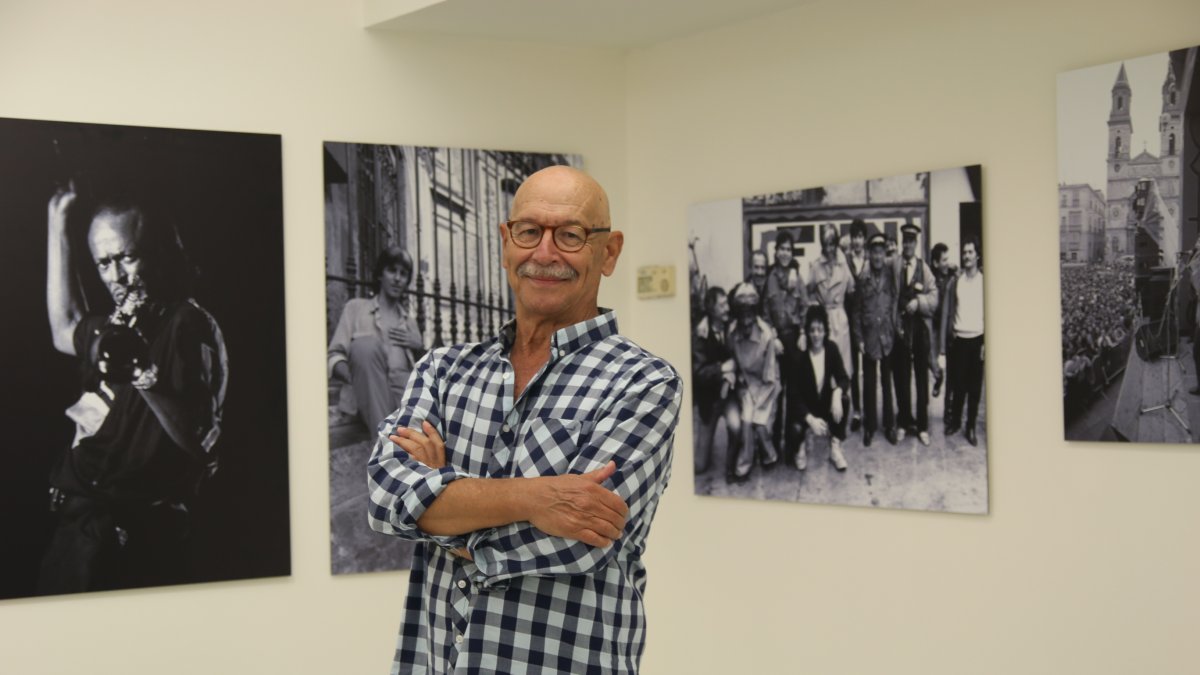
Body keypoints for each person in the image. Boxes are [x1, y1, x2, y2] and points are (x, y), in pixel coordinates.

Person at [366, 166, 682, 674]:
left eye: (571, 235)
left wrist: (437, 510)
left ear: (609, 252)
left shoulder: (643, 383)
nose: (545, 254)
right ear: (505, 241)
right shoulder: (444, 369)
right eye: (529, 231)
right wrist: (535, 498)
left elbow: (575, 541)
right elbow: (384, 492)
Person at [41, 184, 228, 593]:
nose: (116, 277)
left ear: (158, 249)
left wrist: (143, 373)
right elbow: (65, 327)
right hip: (81, 533)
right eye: (103, 263)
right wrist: (58, 221)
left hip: (141, 540)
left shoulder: (187, 323)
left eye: (127, 257)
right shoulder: (117, 323)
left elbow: (199, 439)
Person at [327, 246, 424, 432]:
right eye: (392, 270)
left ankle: (390, 448)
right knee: (365, 347)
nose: (397, 278)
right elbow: (334, 356)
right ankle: (390, 449)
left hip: (404, 396)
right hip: (368, 391)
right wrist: (356, 377)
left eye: (403, 274)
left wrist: (418, 347)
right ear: (380, 274)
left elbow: (426, 373)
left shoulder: (409, 323)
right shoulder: (355, 309)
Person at [725, 282, 783, 481]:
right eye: (742, 314)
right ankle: (744, 464)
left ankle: (770, 456)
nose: (746, 320)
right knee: (747, 420)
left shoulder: (766, 335)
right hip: (745, 385)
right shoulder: (732, 334)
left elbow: (770, 376)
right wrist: (742, 386)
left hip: (767, 386)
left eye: (750, 313)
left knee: (758, 422)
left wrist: (757, 399)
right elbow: (735, 363)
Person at [785, 306, 850, 471]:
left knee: (844, 400)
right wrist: (810, 419)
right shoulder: (800, 355)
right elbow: (792, 394)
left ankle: (835, 446)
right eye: (812, 330)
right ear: (807, 331)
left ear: (825, 331)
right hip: (805, 409)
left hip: (823, 403)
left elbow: (844, 378)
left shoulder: (831, 349)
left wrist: (837, 392)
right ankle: (799, 448)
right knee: (795, 428)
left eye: (820, 330)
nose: (816, 334)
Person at [891, 221, 938, 446]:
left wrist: (919, 302)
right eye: (905, 240)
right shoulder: (894, 264)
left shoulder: (924, 268)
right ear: (902, 242)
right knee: (901, 377)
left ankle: (922, 426)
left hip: (919, 330)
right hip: (900, 329)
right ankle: (903, 422)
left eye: (911, 240)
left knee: (921, 377)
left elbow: (934, 297)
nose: (908, 244)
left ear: (916, 242)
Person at [853, 233, 900, 446]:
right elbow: (856, 311)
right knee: (869, 384)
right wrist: (859, 339)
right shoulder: (862, 278)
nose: (878, 256)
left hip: (887, 335)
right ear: (869, 254)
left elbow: (895, 301)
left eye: (881, 252)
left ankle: (890, 425)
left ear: (885, 254)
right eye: (874, 252)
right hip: (870, 336)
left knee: (887, 383)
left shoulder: (891, 275)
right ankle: (869, 426)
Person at [764, 231, 806, 458]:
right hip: (776, 341)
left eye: (789, 249)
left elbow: (805, 307)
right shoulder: (770, 278)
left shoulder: (797, 277)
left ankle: (792, 446)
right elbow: (765, 311)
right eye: (782, 249)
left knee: (794, 393)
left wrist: (802, 333)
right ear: (776, 251)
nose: (785, 253)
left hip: (794, 339)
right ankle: (774, 446)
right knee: (776, 394)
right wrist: (772, 335)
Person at [940, 239, 985, 445]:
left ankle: (971, 427)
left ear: (977, 255)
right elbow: (948, 313)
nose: (966, 256)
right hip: (959, 341)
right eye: (964, 252)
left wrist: (985, 343)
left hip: (977, 341)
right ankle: (956, 421)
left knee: (974, 389)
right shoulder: (956, 282)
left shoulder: (984, 282)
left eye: (970, 252)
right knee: (958, 386)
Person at [808, 223, 855, 402]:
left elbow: (851, 289)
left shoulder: (844, 265)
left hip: (840, 320)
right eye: (825, 244)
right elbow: (807, 291)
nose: (829, 248)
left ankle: (841, 412)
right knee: (822, 367)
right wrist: (815, 305)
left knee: (842, 368)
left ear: (836, 244)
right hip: (823, 320)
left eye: (832, 244)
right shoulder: (815, 266)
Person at [691, 286, 736, 475]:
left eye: (727, 303)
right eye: (722, 304)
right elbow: (698, 372)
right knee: (700, 466)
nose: (727, 308)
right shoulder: (701, 334)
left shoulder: (732, 325)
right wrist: (722, 369)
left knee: (736, 426)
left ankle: (733, 460)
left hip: (730, 397)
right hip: (709, 402)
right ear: (711, 309)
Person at [845, 219, 870, 432]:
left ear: (865, 239)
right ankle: (856, 411)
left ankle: (869, 410)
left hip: (869, 321)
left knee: (869, 368)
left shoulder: (872, 260)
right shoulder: (845, 260)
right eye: (854, 236)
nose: (857, 241)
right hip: (850, 320)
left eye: (860, 236)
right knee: (852, 368)